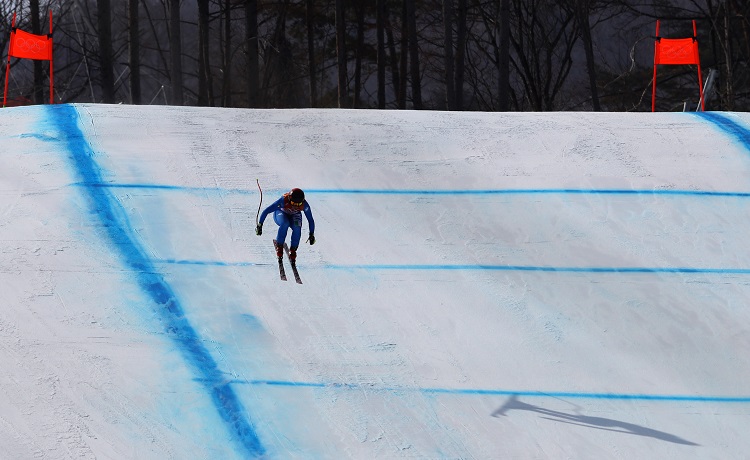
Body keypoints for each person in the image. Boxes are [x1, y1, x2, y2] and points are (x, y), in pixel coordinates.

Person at [255, 188, 315, 262]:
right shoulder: (283, 200)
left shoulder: (305, 205)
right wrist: (260, 225)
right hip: (281, 212)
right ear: (289, 199)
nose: (296, 206)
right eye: (293, 203)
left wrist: (311, 234)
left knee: (297, 228)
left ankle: (293, 249)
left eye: (298, 204)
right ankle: (279, 246)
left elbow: (310, 220)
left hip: (295, 215)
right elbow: (267, 210)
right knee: (285, 223)